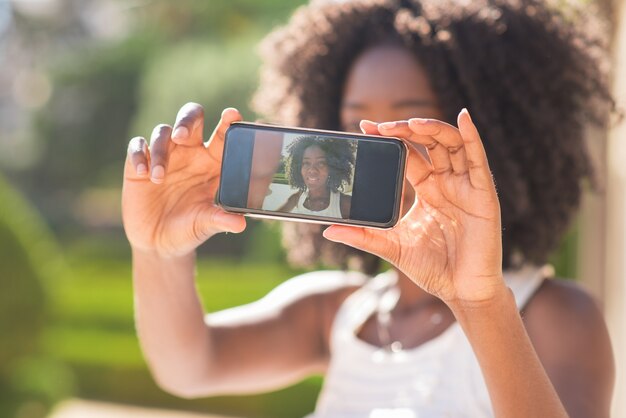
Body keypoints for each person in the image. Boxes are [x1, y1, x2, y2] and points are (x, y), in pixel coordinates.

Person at [121, 0, 616, 417]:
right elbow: (188, 366)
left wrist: (480, 303)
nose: (370, 147)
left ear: (490, 133)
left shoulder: (554, 315)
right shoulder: (336, 312)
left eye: (407, 122)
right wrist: (157, 250)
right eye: (354, 122)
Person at [277, 135, 355, 218]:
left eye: (321, 163)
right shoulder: (297, 198)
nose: (312, 170)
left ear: (332, 167)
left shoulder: (346, 204)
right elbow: (269, 223)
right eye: (306, 163)